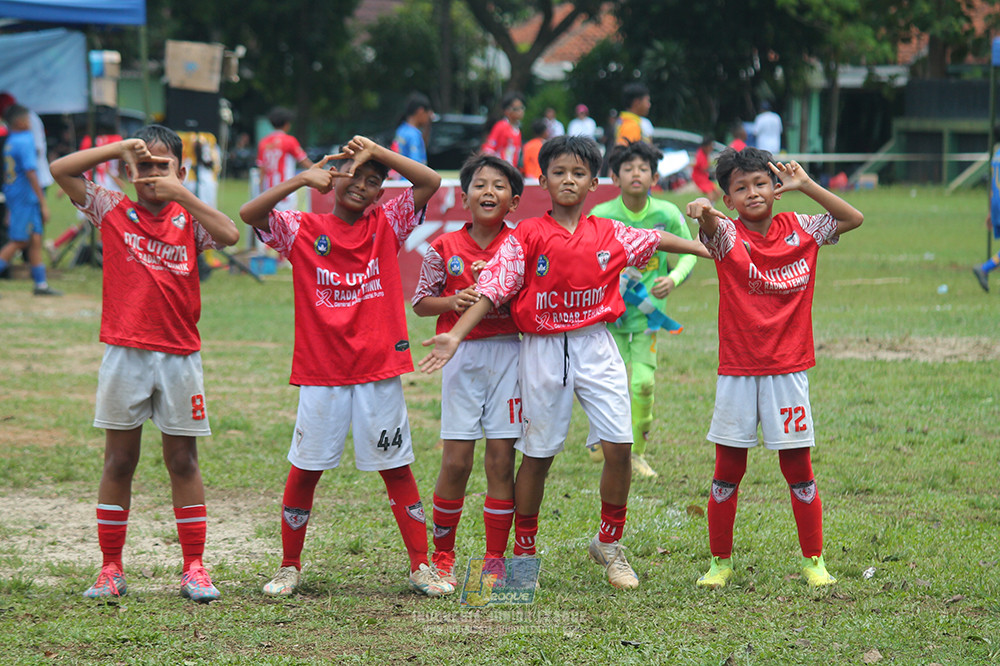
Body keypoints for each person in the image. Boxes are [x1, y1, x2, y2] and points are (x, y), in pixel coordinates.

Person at [419, 136, 710, 590]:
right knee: (537, 456)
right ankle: (523, 557)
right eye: (559, 172)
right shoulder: (527, 237)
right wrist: (455, 335)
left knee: (620, 448)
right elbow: (493, 288)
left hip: (597, 344)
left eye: (578, 173)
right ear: (543, 180)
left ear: (594, 182)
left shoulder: (610, 232)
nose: (568, 180)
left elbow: (659, 238)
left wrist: (708, 250)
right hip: (541, 348)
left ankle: (610, 546)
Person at [239, 135, 455, 598]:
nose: (362, 185)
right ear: (332, 178)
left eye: (373, 181)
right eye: (353, 175)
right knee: (305, 469)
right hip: (323, 372)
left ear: (381, 193)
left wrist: (376, 152)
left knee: (396, 467)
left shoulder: (387, 223)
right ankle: (289, 566)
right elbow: (250, 215)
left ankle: (421, 566)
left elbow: (430, 180)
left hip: (378, 369)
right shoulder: (302, 227)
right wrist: (300, 178)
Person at [49, 124, 241, 601]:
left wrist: (184, 194)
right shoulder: (112, 209)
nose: (153, 176)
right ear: (127, 172)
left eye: (164, 167)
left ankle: (194, 567)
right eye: (144, 168)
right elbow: (60, 170)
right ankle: (110, 568)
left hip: (179, 356)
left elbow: (231, 234)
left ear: (181, 170)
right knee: (119, 460)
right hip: (125, 353)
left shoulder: (189, 217)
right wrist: (117, 148)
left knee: (182, 459)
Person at [685, 147, 863, 589]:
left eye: (760, 183)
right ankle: (720, 563)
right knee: (727, 469)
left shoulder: (801, 226)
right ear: (729, 200)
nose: (752, 193)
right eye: (740, 188)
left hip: (788, 370)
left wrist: (806, 185)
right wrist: (703, 211)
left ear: (775, 187)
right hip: (738, 371)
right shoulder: (726, 235)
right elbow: (709, 226)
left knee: (798, 468)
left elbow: (853, 217)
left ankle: (814, 561)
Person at [411, 154, 525, 586]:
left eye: (499, 186)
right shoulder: (443, 247)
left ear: (514, 202)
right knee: (456, 461)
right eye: (480, 184)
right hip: (460, 359)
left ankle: (494, 562)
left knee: (500, 460)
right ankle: (443, 556)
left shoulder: (521, 246)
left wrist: (497, 290)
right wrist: (453, 302)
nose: (489, 191)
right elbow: (422, 302)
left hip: (510, 357)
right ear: (463, 198)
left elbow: (529, 300)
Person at [589, 141, 696, 478]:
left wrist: (674, 278)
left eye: (643, 168)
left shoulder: (666, 214)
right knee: (612, 384)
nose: (636, 174)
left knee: (644, 385)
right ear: (614, 177)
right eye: (628, 168)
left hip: (649, 318)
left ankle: (637, 453)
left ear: (655, 176)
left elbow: (692, 250)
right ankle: (606, 442)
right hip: (611, 319)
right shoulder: (601, 217)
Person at [0, 104, 58, 295]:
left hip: (17, 194)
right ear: (20, 122)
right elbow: (31, 172)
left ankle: (40, 284)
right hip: (24, 197)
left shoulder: (10, 140)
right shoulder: (25, 140)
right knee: (20, 240)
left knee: (35, 239)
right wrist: (43, 202)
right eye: (27, 119)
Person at [256, 107, 313, 211]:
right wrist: (318, 170)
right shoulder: (289, 141)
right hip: (286, 191)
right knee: (287, 223)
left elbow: (262, 170)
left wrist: (260, 192)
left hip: (268, 191)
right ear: (287, 124)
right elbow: (304, 161)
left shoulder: (263, 143)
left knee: (271, 223)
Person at [481, 92, 525, 168]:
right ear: (507, 111)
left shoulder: (517, 130)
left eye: (522, 108)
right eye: (516, 109)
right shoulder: (501, 126)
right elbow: (488, 150)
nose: (521, 112)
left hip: (511, 170)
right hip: (500, 170)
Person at [391, 92, 433, 166]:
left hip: (398, 176)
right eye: (428, 114)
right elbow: (417, 165)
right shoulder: (414, 135)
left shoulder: (401, 130)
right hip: (409, 177)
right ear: (421, 111)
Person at [691, 135, 723, 203]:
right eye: (711, 146)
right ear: (705, 146)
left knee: (718, 192)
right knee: (711, 194)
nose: (711, 148)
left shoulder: (704, 154)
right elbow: (703, 168)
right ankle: (707, 208)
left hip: (704, 178)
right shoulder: (700, 155)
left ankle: (710, 207)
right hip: (700, 179)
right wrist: (713, 169)